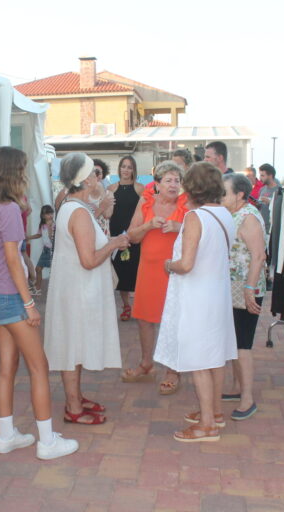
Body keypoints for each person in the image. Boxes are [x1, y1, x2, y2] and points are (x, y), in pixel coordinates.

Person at [0, 146, 78, 460]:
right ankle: (47, 442)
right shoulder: (9, 209)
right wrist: (29, 303)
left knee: (6, 368)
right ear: (14, 173)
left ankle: (6, 436)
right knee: (39, 367)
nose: (26, 174)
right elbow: (14, 260)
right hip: (10, 297)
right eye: (24, 169)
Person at [154, 162, 237, 442]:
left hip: (199, 296)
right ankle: (214, 413)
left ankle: (207, 425)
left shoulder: (194, 217)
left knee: (200, 360)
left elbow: (186, 264)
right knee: (215, 357)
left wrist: (169, 264)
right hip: (218, 293)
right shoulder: (225, 214)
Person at [44, 153, 130, 425]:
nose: (98, 176)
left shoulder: (74, 206)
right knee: (71, 345)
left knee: (74, 344)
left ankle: (76, 398)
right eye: (93, 172)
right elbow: (89, 260)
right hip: (78, 292)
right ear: (84, 179)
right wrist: (114, 243)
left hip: (76, 289)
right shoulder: (78, 212)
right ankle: (72, 407)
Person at [121, 161, 188, 395]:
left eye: (177, 180)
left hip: (175, 270)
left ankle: (173, 370)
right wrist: (149, 225)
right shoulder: (147, 200)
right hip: (149, 268)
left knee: (174, 320)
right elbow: (132, 235)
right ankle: (147, 363)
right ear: (157, 184)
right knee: (144, 318)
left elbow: (198, 232)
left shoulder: (186, 202)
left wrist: (179, 226)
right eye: (168, 180)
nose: (173, 185)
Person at [221, 173, 267, 421]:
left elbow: (258, 255)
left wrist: (250, 289)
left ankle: (247, 397)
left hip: (246, 289)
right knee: (236, 341)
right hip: (234, 287)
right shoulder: (234, 214)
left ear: (239, 194)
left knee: (243, 344)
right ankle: (237, 388)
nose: (221, 196)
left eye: (225, 192)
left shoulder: (248, 217)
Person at [107, 156, 145, 320]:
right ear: (119, 168)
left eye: (129, 167)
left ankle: (140, 306)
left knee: (137, 272)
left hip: (134, 237)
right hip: (116, 237)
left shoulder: (140, 188)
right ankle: (126, 306)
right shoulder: (111, 188)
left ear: (133, 170)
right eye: (123, 166)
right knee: (121, 274)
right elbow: (107, 214)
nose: (126, 170)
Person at [29, 204, 55, 292]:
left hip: (52, 250)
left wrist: (50, 227)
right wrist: (29, 237)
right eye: (48, 214)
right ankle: (38, 288)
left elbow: (52, 237)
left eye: (51, 213)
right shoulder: (42, 225)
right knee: (38, 269)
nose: (50, 215)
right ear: (43, 215)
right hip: (45, 250)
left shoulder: (54, 225)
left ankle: (39, 288)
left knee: (52, 270)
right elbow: (39, 234)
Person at [257, 163, 281, 233]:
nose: (260, 178)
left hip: (273, 230)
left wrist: (270, 202)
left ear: (270, 176)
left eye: (262, 175)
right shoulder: (262, 189)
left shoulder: (279, 191)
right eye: (260, 175)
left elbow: (281, 209)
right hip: (262, 228)